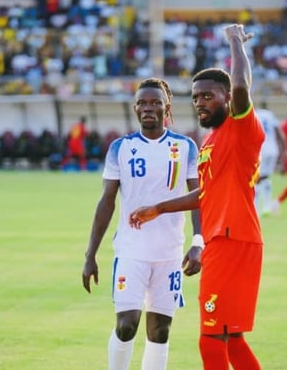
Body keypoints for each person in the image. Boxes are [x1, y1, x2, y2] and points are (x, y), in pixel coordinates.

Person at [129, 24, 265, 370]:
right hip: (227, 239)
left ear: (227, 97)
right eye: (195, 98)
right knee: (232, 338)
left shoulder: (240, 127)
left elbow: (241, 85)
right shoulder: (212, 139)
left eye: (207, 96)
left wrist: (235, 42)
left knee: (211, 337)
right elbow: (207, 193)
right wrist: (160, 208)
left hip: (232, 238)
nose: (200, 103)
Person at [82, 77, 202, 370]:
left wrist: (198, 241)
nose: (148, 108)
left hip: (170, 253)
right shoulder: (120, 148)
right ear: (135, 108)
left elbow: (201, 197)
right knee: (126, 325)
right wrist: (90, 254)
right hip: (131, 251)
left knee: (160, 331)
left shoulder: (185, 147)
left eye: (155, 102)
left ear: (167, 107)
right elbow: (106, 201)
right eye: (142, 103)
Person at [255, 101, 287, 216]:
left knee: (257, 179)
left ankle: (256, 208)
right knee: (265, 177)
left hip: (261, 149)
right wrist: (285, 150)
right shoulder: (270, 115)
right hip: (273, 150)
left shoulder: (254, 114)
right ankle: (267, 206)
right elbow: (279, 133)